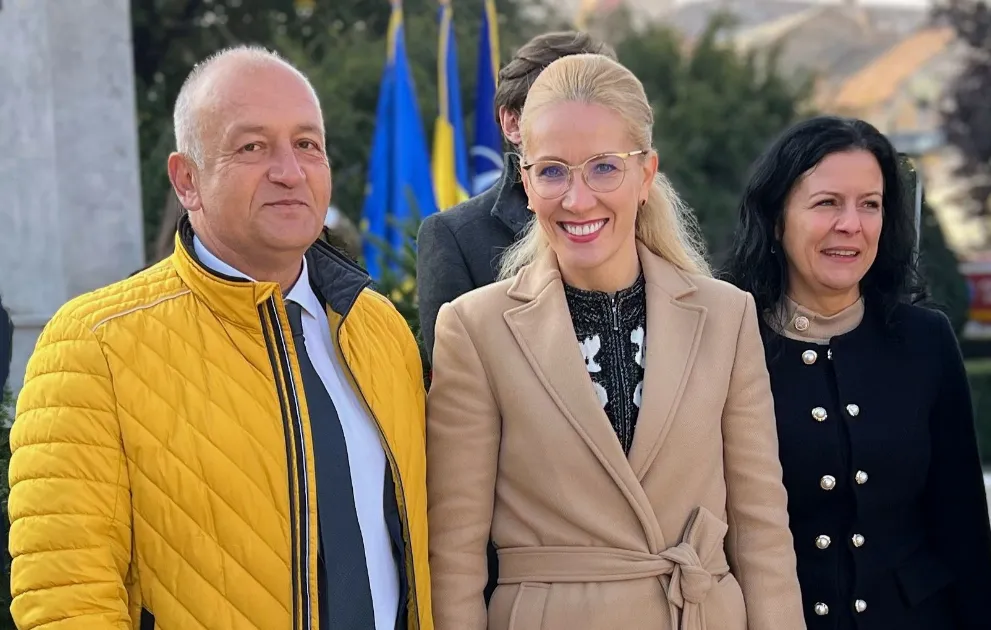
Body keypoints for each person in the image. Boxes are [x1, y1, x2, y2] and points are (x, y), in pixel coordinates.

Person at [7, 46, 432, 629]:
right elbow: (66, 596)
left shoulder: (378, 328)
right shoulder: (93, 345)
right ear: (187, 180)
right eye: (252, 147)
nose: (290, 171)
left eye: (307, 144)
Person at [425, 53, 806, 630]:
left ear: (646, 175)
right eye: (552, 171)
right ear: (525, 181)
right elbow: (453, 559)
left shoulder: (727, 316)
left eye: (604, 167)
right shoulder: (474, 329)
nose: (577, 199)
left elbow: (763, 533)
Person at [723, 115, 991, 629]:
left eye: (870, 204)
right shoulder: (731, 344)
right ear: (777, 219)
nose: (852, 224)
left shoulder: (926, 342)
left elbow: (963, 530)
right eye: (827, 203)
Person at [416, 31, 617, 363]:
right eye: (558, 108)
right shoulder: (454, 237)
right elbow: (455, 378)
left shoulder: (638, 215)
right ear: (512, 122)